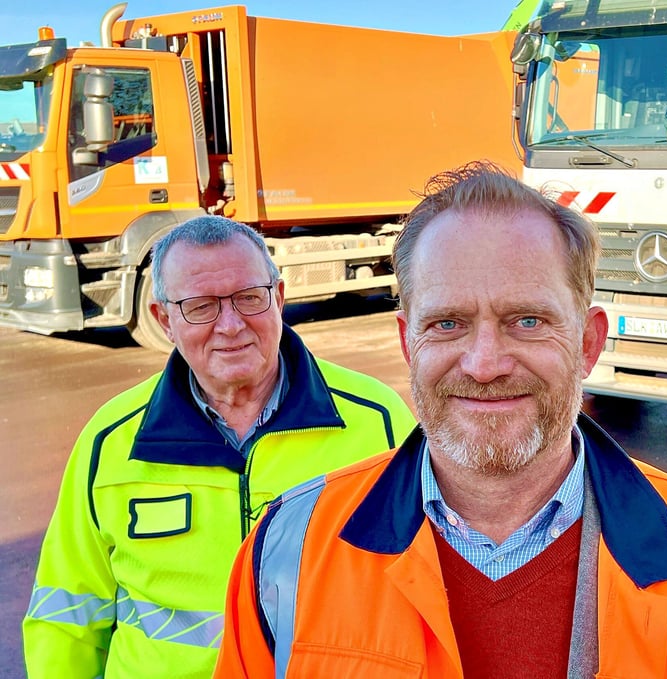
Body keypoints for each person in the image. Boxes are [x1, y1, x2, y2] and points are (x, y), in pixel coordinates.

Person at [213, 161, 667, 678]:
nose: (484, 364)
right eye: (447, 323)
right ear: (408, 343)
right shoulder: (288, 550)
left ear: (587, 343)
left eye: (527, 321)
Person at [23, 216, 416, 679]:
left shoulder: (378, 422)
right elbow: (66, 616)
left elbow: (425, 588)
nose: (230, 325)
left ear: (279, 298)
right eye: (201, 307)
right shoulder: (111, 442)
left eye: (249, 298)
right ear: (164, 320)